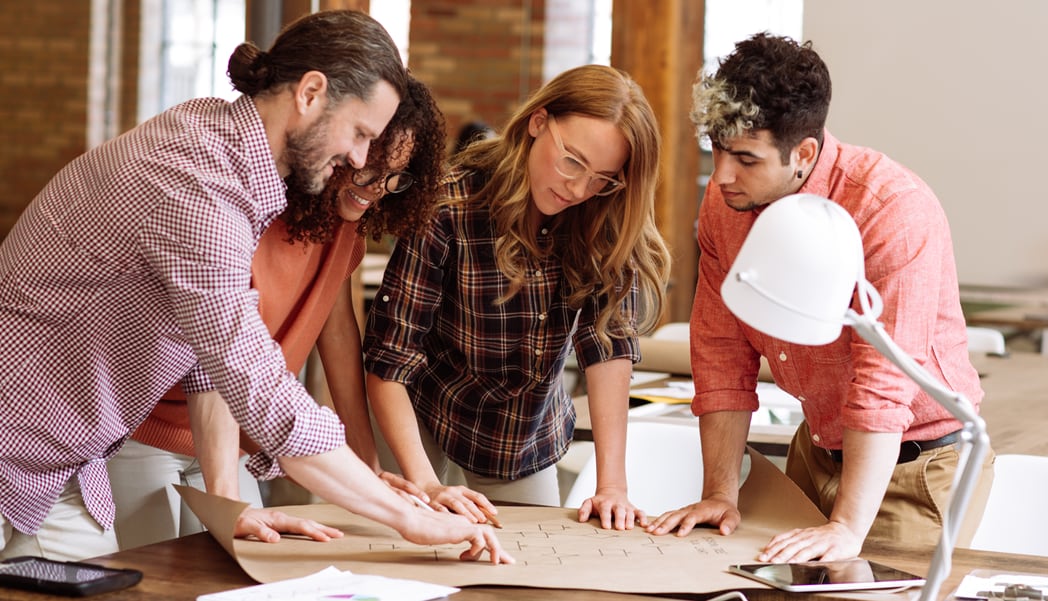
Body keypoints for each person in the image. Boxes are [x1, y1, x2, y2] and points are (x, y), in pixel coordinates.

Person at [0, 9, 509, 564]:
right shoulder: (199, 185)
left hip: (63, 465)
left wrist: (226, 502)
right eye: (360, 133)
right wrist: (408, 518)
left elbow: (202, 356)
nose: (362, 159)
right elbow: (261, 389)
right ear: (311, 93)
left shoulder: (217, 143)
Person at [646, 33, 993, 562]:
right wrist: (720, 492)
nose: (721, 176)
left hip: (916, 465)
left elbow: (882, 383)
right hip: (815, 450)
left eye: (745, 157)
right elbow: (720, 353)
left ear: (803, 153)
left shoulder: (891, 211)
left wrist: (849, 527)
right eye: (715, 150)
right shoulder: (726, 205)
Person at [107, 76, 448, 550]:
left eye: (396, 177)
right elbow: (222, 359)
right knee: (162, 574)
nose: (377, 189)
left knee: (243, 569)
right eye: (370, 170)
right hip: (151, 427)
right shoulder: (248, 210)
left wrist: (367, 464)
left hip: (241, 434)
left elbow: (339, 334)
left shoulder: (345, 225)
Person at [363, 64, 671, 530]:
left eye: (602, 178)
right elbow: (389, 358)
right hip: (420, 406)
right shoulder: (450, 205)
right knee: (409, 542)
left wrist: (612, 486)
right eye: (572, 161)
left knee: (526, 565)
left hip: (519, 433)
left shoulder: (604, 216)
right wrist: (426, 488)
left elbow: (606, 347)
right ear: (538, 122)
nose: (577, 188)